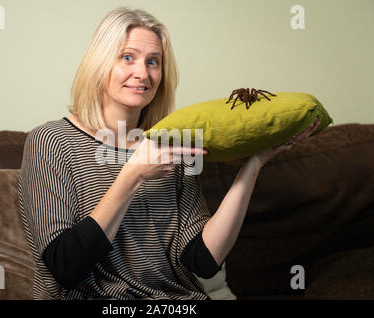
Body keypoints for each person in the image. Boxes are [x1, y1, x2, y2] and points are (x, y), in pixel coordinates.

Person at [18, 7, 319, 300]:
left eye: (153, 62)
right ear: (100, 63)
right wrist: (133, 174)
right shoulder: (51, 141)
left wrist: (253, 165)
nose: (142, 73)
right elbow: (66, 267)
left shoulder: (171, 144)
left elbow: (202, 260)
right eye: (127, 57)